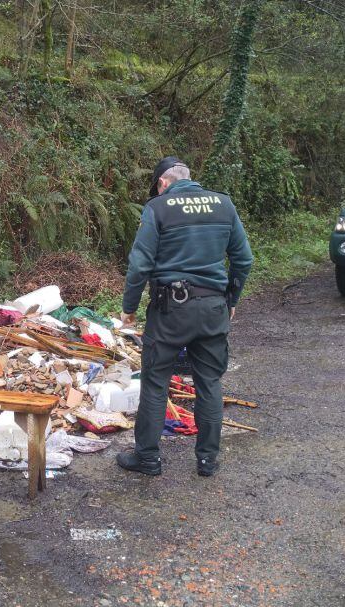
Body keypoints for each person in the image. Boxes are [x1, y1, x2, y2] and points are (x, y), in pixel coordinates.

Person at [117, 156, 253, 477]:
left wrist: (129, 309)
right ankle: (207, 460)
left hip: (170, 311)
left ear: (163, 183)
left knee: (155, 382)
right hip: (213, 308)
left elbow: (140, 265)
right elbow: (243, 259)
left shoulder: (158, 207)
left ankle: (148, 458)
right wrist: (231, 298)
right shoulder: (224, 205)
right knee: (209, 381)